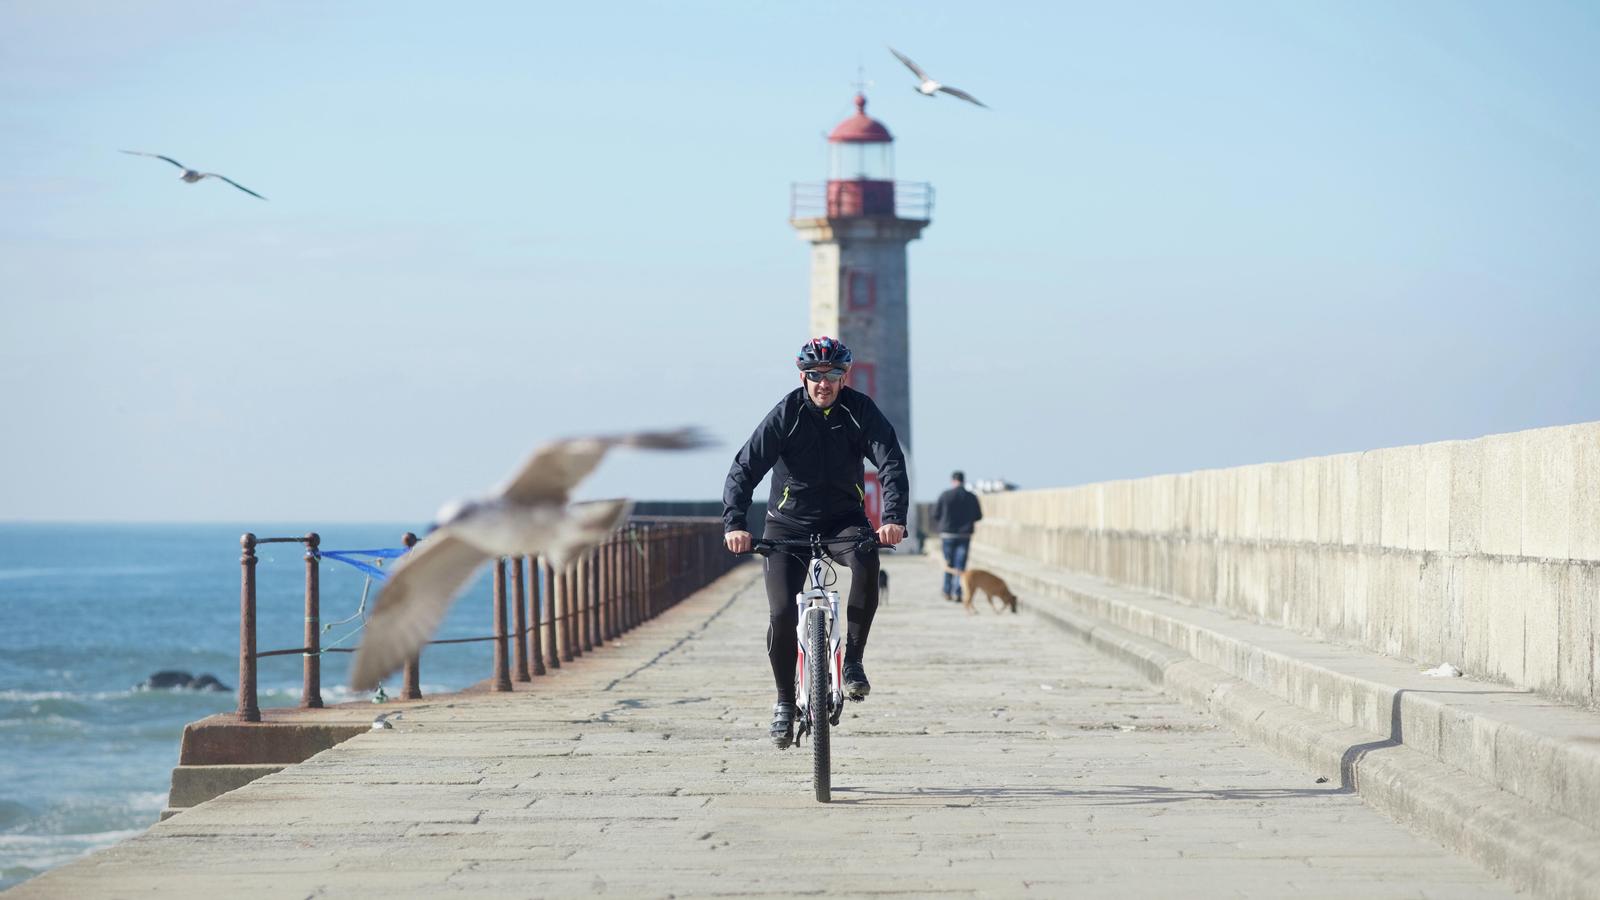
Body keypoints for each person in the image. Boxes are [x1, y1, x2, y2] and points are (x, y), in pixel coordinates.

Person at [723, 336, 909, 749]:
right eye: (815, 375)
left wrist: (893, 518)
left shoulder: (860, 411)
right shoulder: (787, 413)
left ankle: (854, 664)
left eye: (833, 375)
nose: (823, 383)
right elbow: (744, 467)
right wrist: (735, 523)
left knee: (865, 562)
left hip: (843, 521)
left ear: (845, 377)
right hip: (786, 526)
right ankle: (785, 702)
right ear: (802, 376)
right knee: (780, 612)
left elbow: (891, 462)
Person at [933, 470, 983, 603]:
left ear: (952, 481)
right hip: (964, 534)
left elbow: (936, 514)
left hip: (947, 534)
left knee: (949, 563)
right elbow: (979, 516)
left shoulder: (945, 495)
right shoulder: (971, 496)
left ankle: (947, 590)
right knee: (960, 564)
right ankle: (958, 591)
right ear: (963, 480)